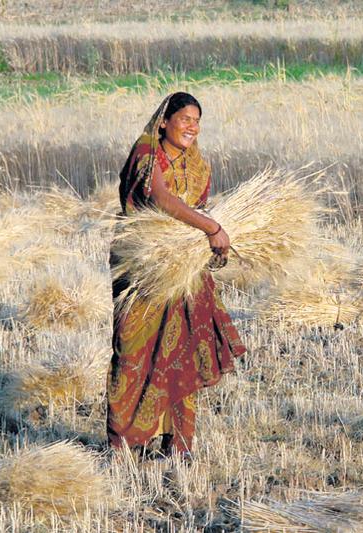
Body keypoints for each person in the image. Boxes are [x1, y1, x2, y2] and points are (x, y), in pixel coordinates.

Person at [107, 92, 246, 459]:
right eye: (185, 118)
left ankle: (178, 446)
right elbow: (159, 196)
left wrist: (211, 248)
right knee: (134, 351)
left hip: (184, 271)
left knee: (182, 351)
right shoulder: (147, 152)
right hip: (144, 269)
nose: (192, 126)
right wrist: (211, 226)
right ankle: (124, 444)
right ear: (164, 121)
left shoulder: (198, 165)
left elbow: (196, 211)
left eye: (197, 120)